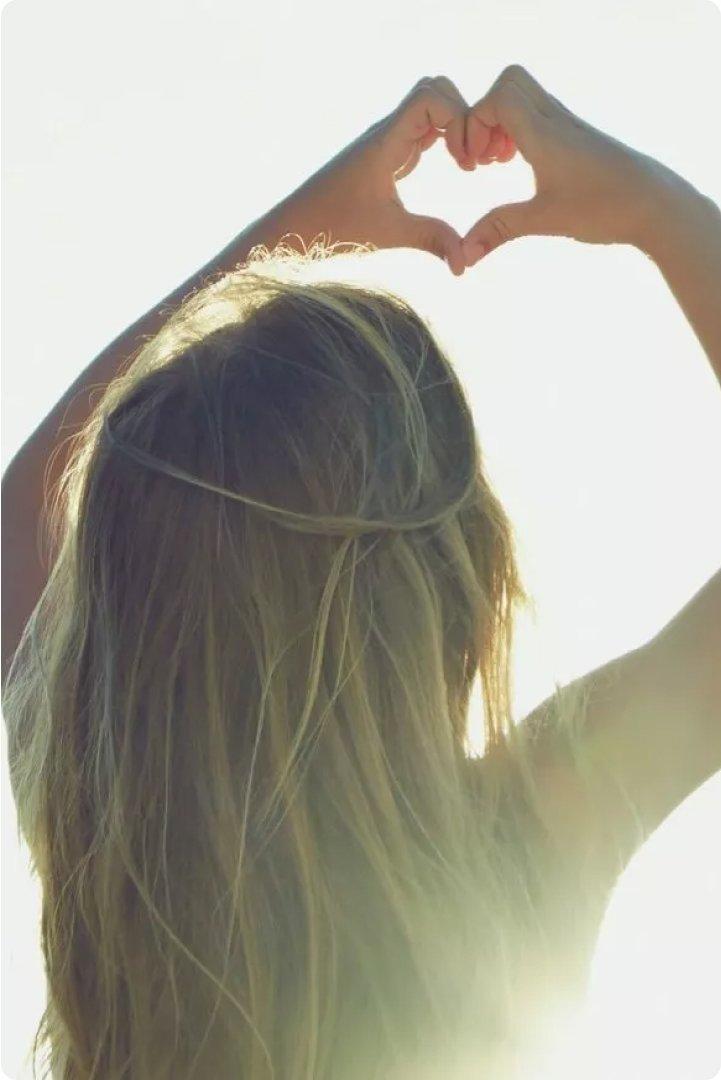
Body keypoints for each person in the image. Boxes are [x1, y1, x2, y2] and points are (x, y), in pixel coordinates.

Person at [2, 65, 719, 1080]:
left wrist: (285, 238)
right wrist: (658, 207)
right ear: (461, 584)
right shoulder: (519, 845)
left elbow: (26, 504)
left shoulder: (105, 838)